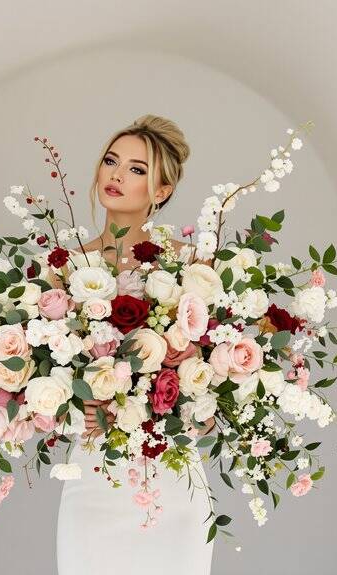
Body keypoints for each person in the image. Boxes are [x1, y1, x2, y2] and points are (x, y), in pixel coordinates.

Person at [55, 115, 216, 574]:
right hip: (93, 477)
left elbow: (211, 380)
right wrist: (74, 405)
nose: (116, 175)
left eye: (137, 169)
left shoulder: (189, 268)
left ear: (161, 190)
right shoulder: (64, 268)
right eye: (111, 161)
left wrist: (189, 402)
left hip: (171, 473)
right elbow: (44, 371)